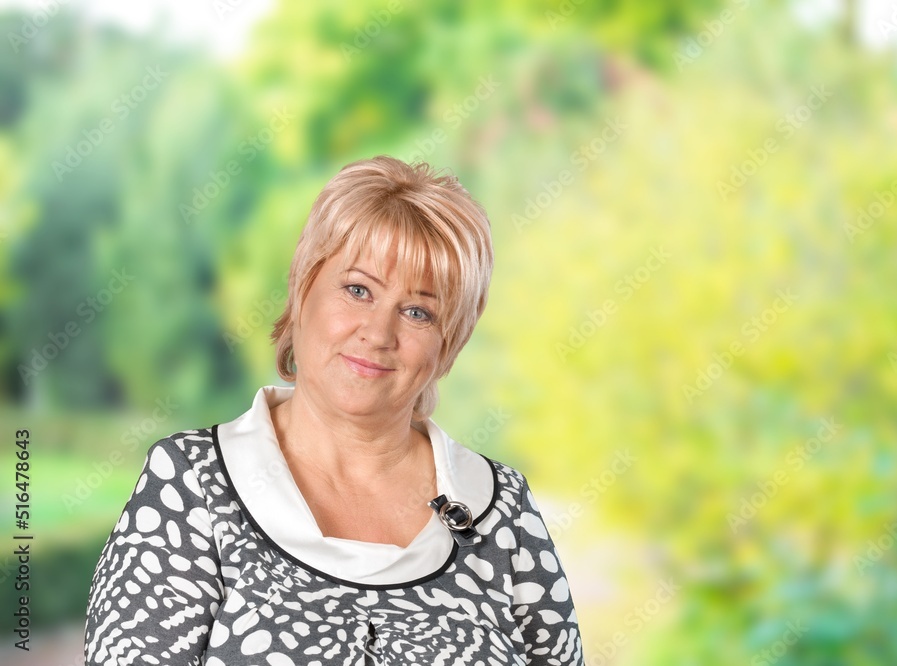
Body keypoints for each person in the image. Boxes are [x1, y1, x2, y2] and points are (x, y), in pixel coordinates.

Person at [84, 156, 585, 665]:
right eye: (358, 290)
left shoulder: (500, 509)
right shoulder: (192, 483)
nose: (378, 333)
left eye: (418, 312)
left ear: (449, 342)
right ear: (303, 289)